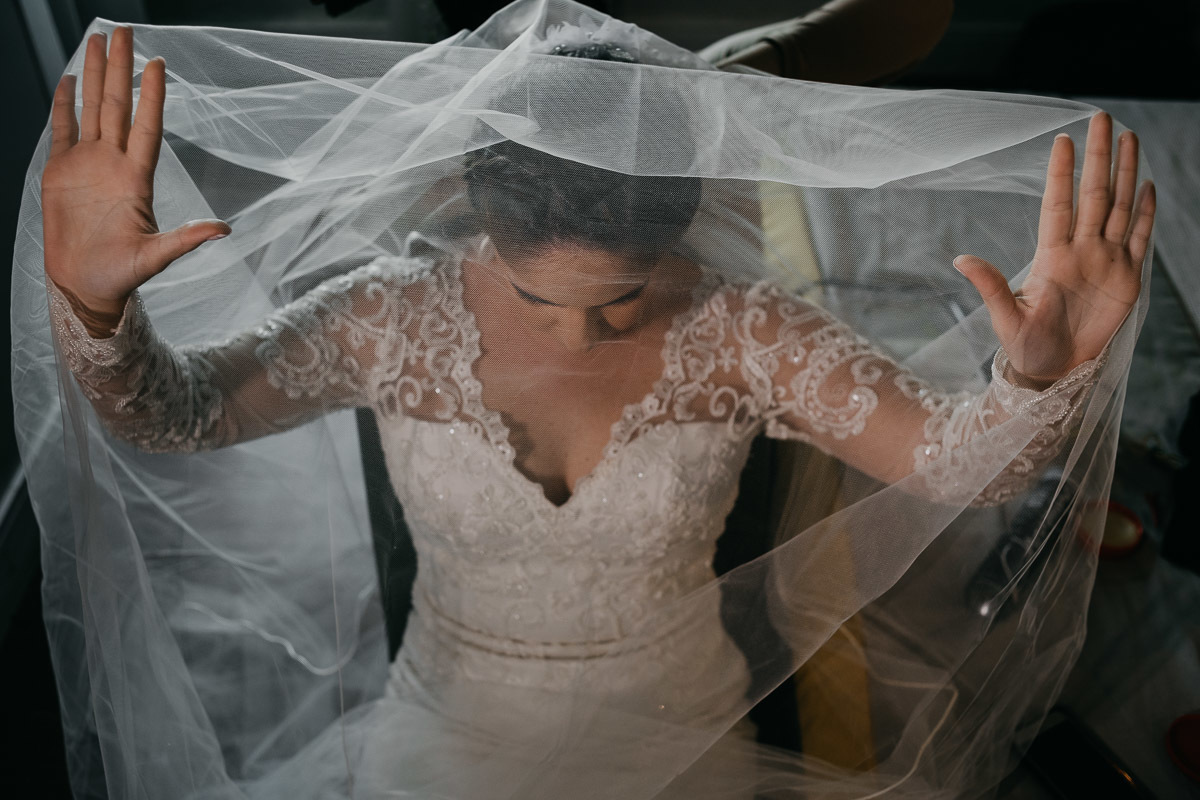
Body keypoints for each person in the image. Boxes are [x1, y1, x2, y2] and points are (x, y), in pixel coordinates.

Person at [20, 3, 1155, 797]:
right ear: (475, 211)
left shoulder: (745, 331)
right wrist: (95, 310)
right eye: (533, 294)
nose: (576, 330)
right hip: (441, 733)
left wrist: (1037, 377)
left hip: (679, 736)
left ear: (679, 231)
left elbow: (964, 464)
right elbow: (169, 417)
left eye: (621, 301)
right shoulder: (389, 317)